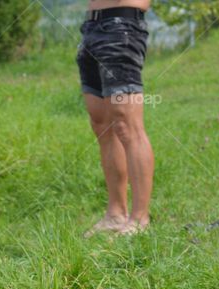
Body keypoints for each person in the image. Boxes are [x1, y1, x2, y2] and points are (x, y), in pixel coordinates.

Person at [77, 1, 154, 235]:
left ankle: (140, 218)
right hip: (91, 26)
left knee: (127, 124)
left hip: (122, 27)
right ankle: (115, 214)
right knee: (101, 123)